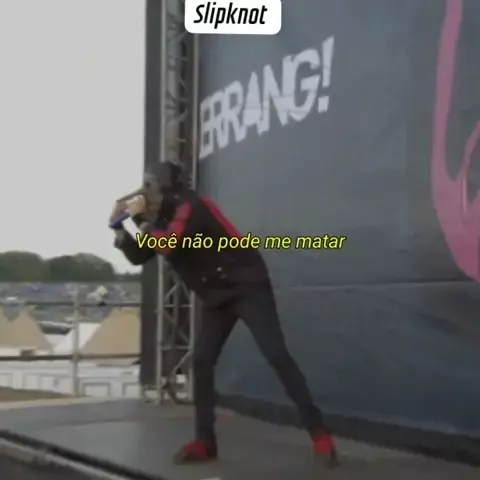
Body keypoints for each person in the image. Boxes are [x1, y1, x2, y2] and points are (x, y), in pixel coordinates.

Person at [109, 164, 337, 465]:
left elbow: (168, 243)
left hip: (246, 286)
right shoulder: (163, 219)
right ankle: (205, 443)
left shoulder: (192, 205)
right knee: (202, 361)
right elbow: (141, 254)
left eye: (149, 187)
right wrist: (119, 229)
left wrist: (138, 219)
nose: (145, 194)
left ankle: (320, 436)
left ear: (165, 187)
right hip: (216, 296)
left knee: (276, 354)